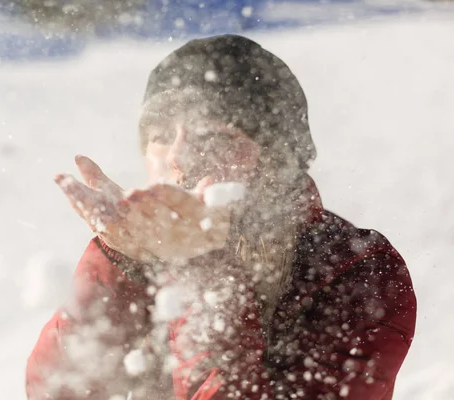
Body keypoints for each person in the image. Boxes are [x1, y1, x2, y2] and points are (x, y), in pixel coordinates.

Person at [25, 35, 416, 400]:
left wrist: (206, 273)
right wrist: (118, 260)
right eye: (161, 137)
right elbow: (59, 390)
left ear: (276, 158)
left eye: (214, 137)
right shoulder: (142, 250)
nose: (177, 158)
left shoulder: (359, 268)